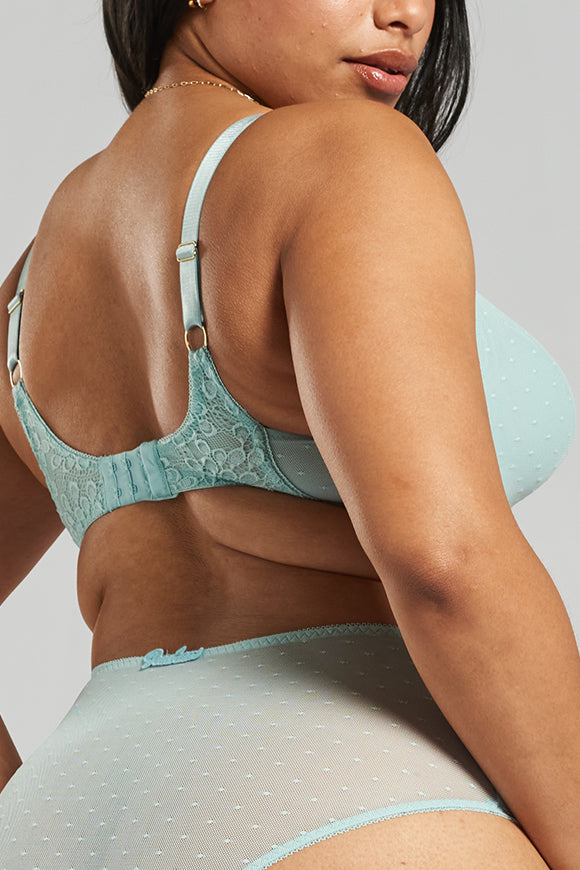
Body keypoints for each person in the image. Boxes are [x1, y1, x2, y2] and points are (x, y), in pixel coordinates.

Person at [0, 0, 578, 867]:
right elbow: (446, 565)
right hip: (344, 797)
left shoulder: (33, 283)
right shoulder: (348, 157)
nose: (405, 15)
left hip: (61, 821)